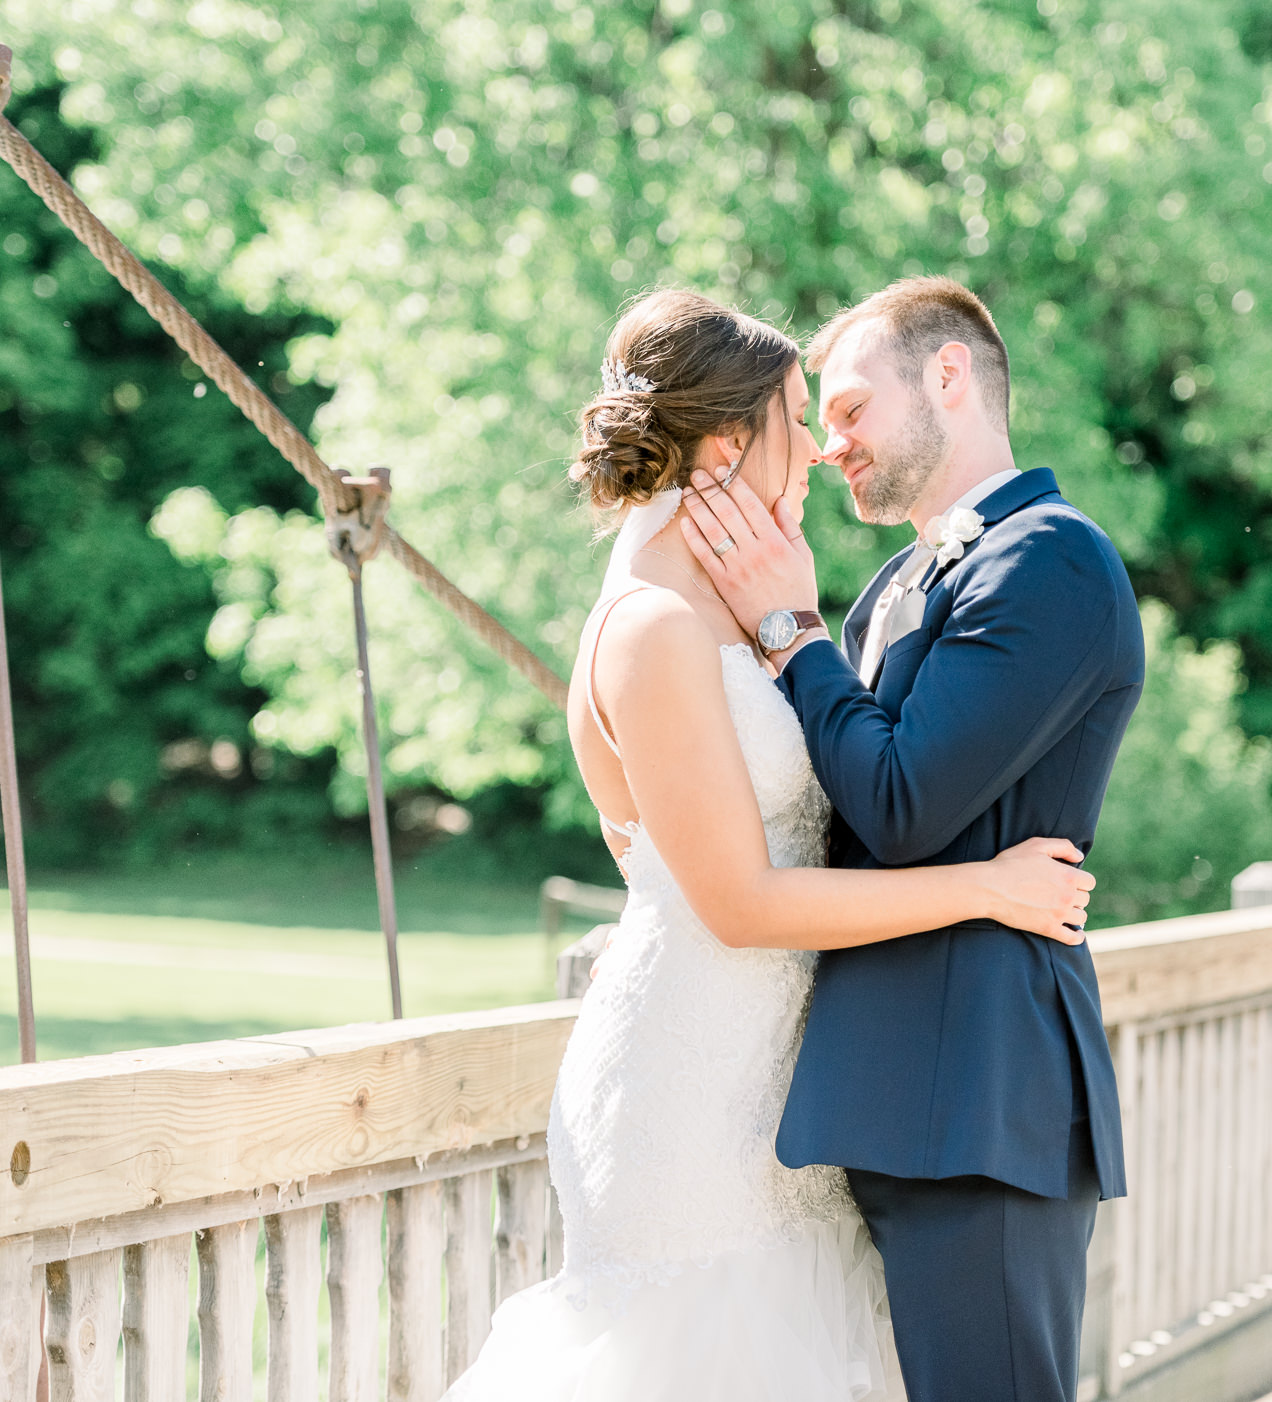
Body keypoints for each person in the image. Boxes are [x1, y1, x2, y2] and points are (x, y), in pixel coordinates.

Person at [445, 288, 1097, 1402]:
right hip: (691, 1101)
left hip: (775, 1095)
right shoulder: (650, 626)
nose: (819, 450)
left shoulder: (734, 620)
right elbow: (737, 901)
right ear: (725, 443)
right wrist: (983, 886)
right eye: (801, 416)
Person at [678, 277, 1145, 1402]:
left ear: (949, 377)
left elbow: (896, 803)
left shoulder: (1053, 559)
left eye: (848, 411)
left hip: (977, 1098)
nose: (830, 448)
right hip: (892, 1097)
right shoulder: (901, 577)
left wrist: (789, 630)